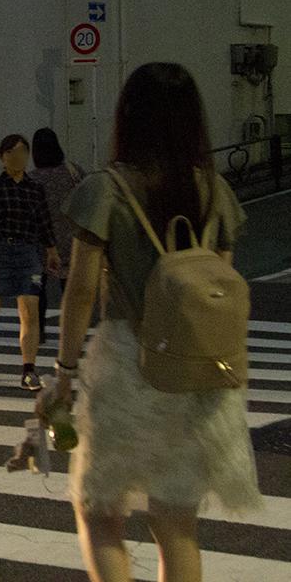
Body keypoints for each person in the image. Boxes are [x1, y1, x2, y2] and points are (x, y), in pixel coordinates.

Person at [50, 63, 260, 582]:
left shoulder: (108, 190)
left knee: (99, 509)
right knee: (177, 524)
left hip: (129, 361)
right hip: (199, 371)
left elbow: (80, 291)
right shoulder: (215, 192)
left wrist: (64, 369)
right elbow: (219, 286)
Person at [0, 134, 61, 391]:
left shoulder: (35, 189)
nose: (17, 157)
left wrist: (52, 251)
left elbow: (44, 222)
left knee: (29, 311)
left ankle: (29, 369)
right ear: (2, 157)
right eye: (11, 152)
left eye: (22, 152)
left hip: (28, 254)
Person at [30, 126, 84, 345]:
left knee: (38, 289)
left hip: (42, 241)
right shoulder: (73, 171)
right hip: (71, 238)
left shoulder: (32, 179)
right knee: (70, 290)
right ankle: (71, 331)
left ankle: (39, 329)